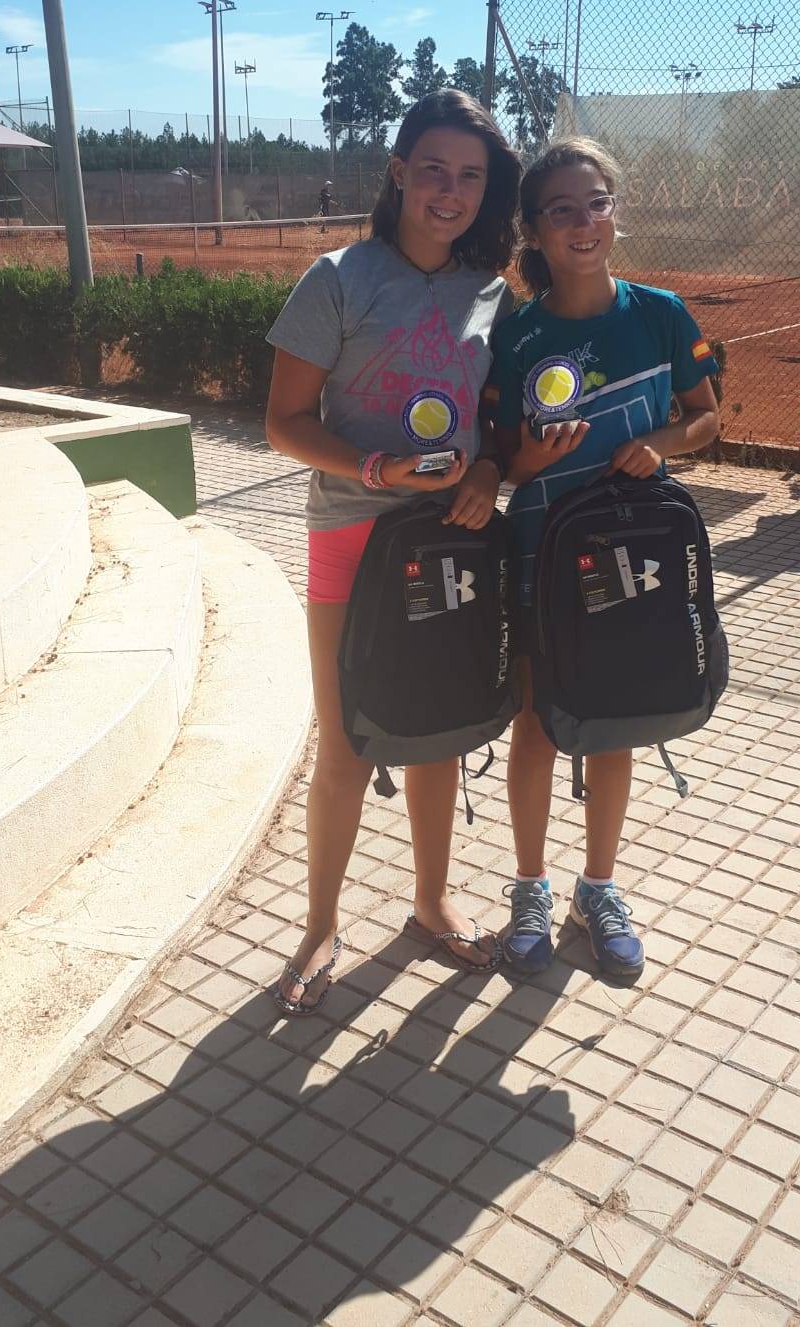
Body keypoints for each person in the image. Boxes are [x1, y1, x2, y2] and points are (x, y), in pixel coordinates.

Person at [264, 90, 521, 1014]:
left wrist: (486, 469)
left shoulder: (493, 293)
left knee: (435, 735)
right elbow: (283, 422)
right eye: (435, 169)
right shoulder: (338, 278)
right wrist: (376, 467)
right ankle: (319, 925)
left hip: (449, 542)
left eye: (471, 176)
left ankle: (430, 900)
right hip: (349, 535)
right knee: (343, 744)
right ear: (400, 172)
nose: (451, 191)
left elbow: (499, 423)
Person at [484, 137, 720, 984]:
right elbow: (502, 462)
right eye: (562, 210)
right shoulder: (517, 334)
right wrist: (533, 459)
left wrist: (661, 444)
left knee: (614, 716)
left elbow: (706, 418)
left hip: (632, 549)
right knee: (536, 722)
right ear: (535, 230)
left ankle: (598, 889)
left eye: (597, 203)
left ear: (614, 211)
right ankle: (530, 888)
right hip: (541, 554)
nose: (584, 222)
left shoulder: (662, 314)